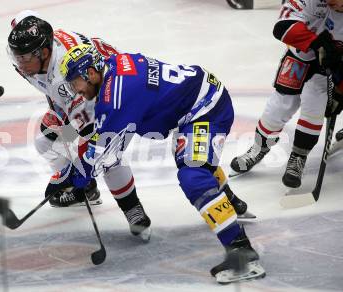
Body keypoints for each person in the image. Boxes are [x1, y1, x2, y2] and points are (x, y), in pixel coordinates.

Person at [56, 44, 265, 283]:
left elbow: (103, 152)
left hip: (205, 108)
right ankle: (230, 202)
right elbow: (106, 134)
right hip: (195, 101)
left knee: (193, 176)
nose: (76, 90)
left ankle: (243, 254)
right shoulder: (112, 66)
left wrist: (73, 179)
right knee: (194, 162)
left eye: (75, 83)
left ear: (90, 73)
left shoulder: (117, 94)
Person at [230, 0, 343, 188]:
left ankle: (298, 158)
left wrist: (340, 93)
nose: (331, 3)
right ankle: (258, 148)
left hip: (326, 71)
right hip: (298, 59)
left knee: (313, 112)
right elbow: (282, 26)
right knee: (278, 108)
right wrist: (316, 44)